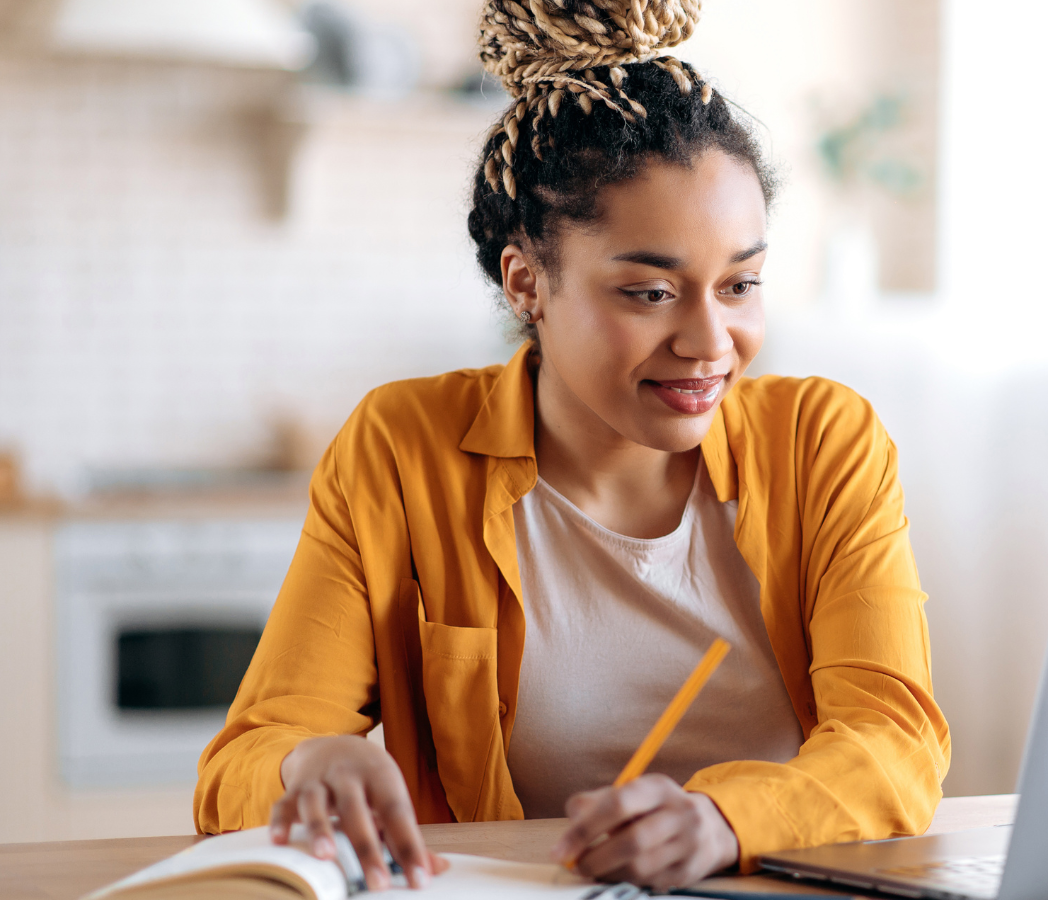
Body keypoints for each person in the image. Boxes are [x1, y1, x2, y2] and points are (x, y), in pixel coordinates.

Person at [194, 0, 949, 892]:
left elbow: (894, 739)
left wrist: (720, 821)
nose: (712, 341)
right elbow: (246, 760)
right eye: (649, 293)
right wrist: (306, 765)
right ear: (527, 282)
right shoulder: (402, 450)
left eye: (741, 282)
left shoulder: (826, 442)